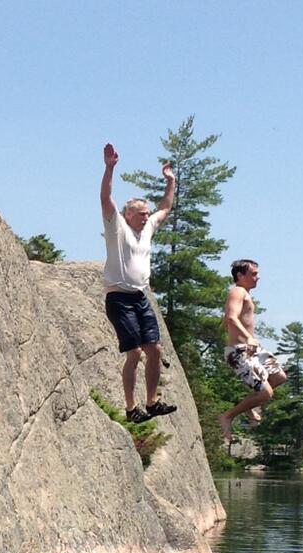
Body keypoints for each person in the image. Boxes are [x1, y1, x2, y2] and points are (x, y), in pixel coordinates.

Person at [100, 142, 177, 423]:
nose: (147, 217)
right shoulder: (117, 227)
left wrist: (171, 182)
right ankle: (132, 408)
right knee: (133, 352)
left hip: (140, 298)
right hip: (119, 298)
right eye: (141, 213)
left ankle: (152, 401)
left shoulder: (148, 230)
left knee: (154, 349)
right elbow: (106, 197)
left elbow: (165, 208)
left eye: (147, 213)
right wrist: (109, 168)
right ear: (128, 215)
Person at [219, 259, 287, 440]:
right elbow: (232, 316)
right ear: (240, 276)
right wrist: (248, 337)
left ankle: (250, 405)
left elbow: (231, 318)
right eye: (254, 274)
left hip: (253, 350)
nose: (258, 277)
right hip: (238, 351)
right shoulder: (237, 291)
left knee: (279, 376)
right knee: (266, 393)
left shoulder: (245, 294)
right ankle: (227, 416)